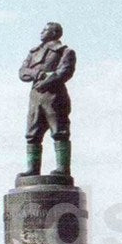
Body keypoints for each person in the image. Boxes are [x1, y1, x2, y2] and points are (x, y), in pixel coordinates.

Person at [18, 22, 76, 177]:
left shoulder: (65, 52)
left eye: (45, 30)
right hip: (36, 97)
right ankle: (33, 169)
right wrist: (37, 74)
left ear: (54, 33)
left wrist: (46, 81)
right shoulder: (34, 52)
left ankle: (63, 169)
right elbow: (23, 72)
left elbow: (64, 71)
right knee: (32, 134)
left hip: (54, 96)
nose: (41, 32)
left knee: (60, 132)